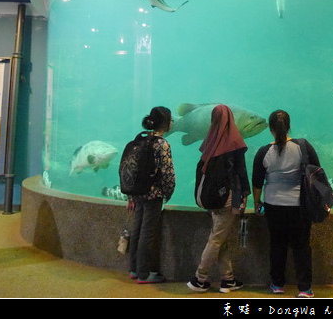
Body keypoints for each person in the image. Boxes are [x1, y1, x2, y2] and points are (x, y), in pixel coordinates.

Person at [252, 109, 320, 298]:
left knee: (277, 244)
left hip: (273, 205)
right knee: (301, 246)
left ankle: (277, 284)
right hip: (299, 204)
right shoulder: (303, 146)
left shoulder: (264, 152)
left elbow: (257, 181)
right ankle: (304, 288)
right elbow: (317, 172)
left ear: (270, 129)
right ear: (289, 126)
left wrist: (257, 203)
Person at [187, 104, 250, 293]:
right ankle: (200, 278)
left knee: (221, 239)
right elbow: (241, 174)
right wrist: (243, 198)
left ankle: (228, 280)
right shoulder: (234, 143)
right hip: (229, 201)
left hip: (213, 199)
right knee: (216, 239)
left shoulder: (210, 142)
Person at [127, 106, 176, 284]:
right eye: (170, 120)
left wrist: (130, 195)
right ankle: (144, 274)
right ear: (165, 123)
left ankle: (133, 269)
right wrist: (168, 192)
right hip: (153, 195)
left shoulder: (141, 140)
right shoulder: (162, 144)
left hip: (138, 193)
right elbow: (167, 173)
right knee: (147, 233)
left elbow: (131, 169)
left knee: (137, 230)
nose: (171, 122)